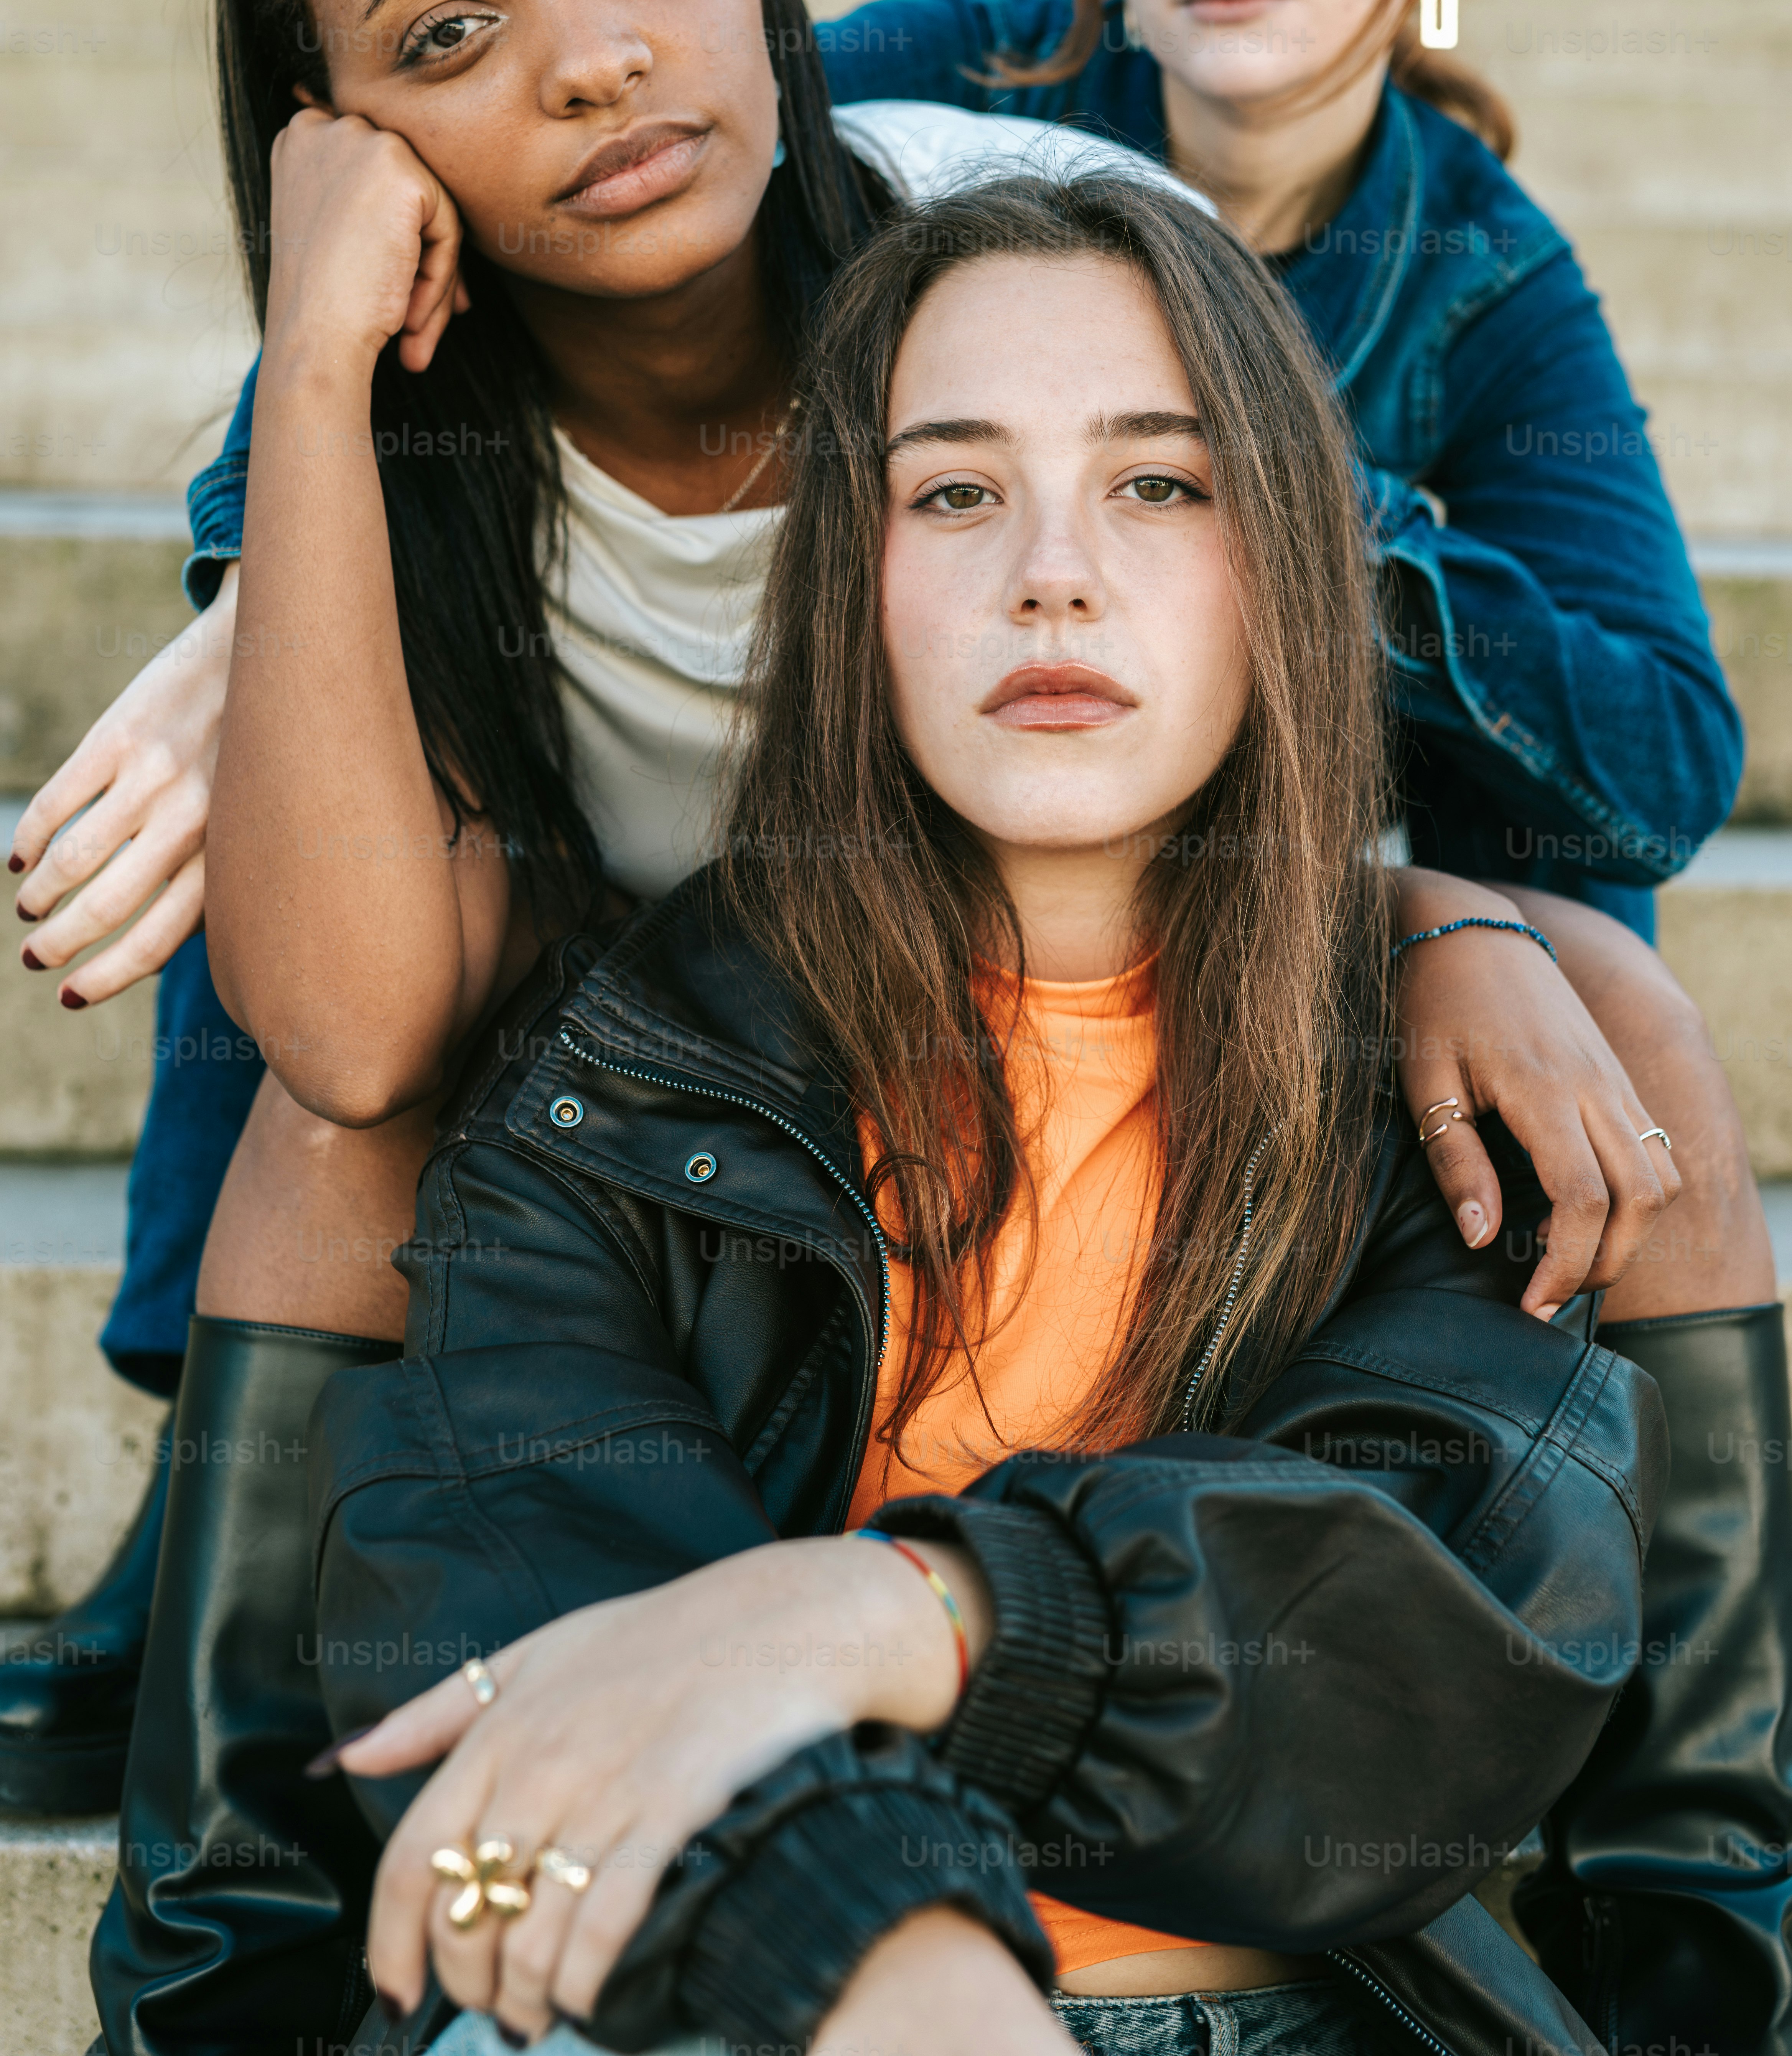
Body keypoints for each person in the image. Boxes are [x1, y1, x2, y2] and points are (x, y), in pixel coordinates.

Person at [13, 0, 1776, 2048]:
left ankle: (1703, 1952)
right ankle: (218, 1879)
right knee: (358, 1146)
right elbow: (351, 1040)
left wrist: (1423, 908)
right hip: (664, 1062)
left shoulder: (1018, 266)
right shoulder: (412, 427)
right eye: (445, 36)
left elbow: (1478, 745)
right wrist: (292, 462)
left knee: (1602, 1033)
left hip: (1079, 991)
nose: (598, 53)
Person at [221, 166, 1677, 2056]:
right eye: (956, 490)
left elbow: (1432, 1651)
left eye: (1159, 484)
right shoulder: (622, 1078)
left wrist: (904, 1615)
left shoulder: (1444, 1091)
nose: (1049, 571)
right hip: (772, 1993)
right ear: (857, 579)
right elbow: (522, 1599)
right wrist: (892, 1962)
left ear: (1284, 575)